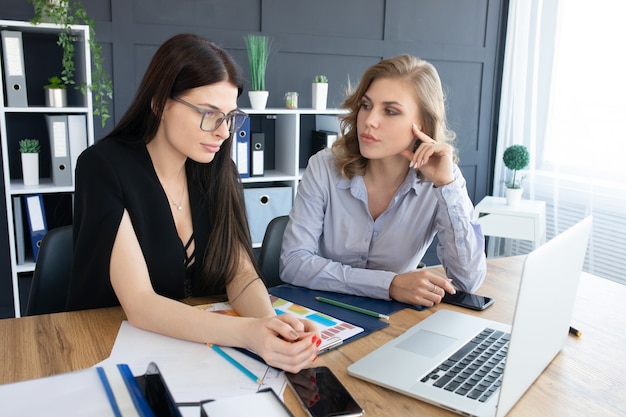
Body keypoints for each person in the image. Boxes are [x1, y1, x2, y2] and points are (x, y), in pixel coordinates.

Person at [66, 34, 320, 372]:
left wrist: (273, 328)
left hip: (190, 347)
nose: (223, 132)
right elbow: (140, 304)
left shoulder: (218, 169)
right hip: (102, 346)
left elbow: (240, 273)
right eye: (208, 113)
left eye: (230, 117)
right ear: (159, 102)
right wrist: (248, 333)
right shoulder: (102, 166)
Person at [280, 54, 486, 307]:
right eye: (366, 106)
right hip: (318, 307)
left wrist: (447, 187)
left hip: (394, 317)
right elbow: (293, 263)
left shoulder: (444, 180)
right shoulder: (324, 166)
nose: (369, 121)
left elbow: (468, 280)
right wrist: (388, 285)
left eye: (390, 111)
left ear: (422, 124)